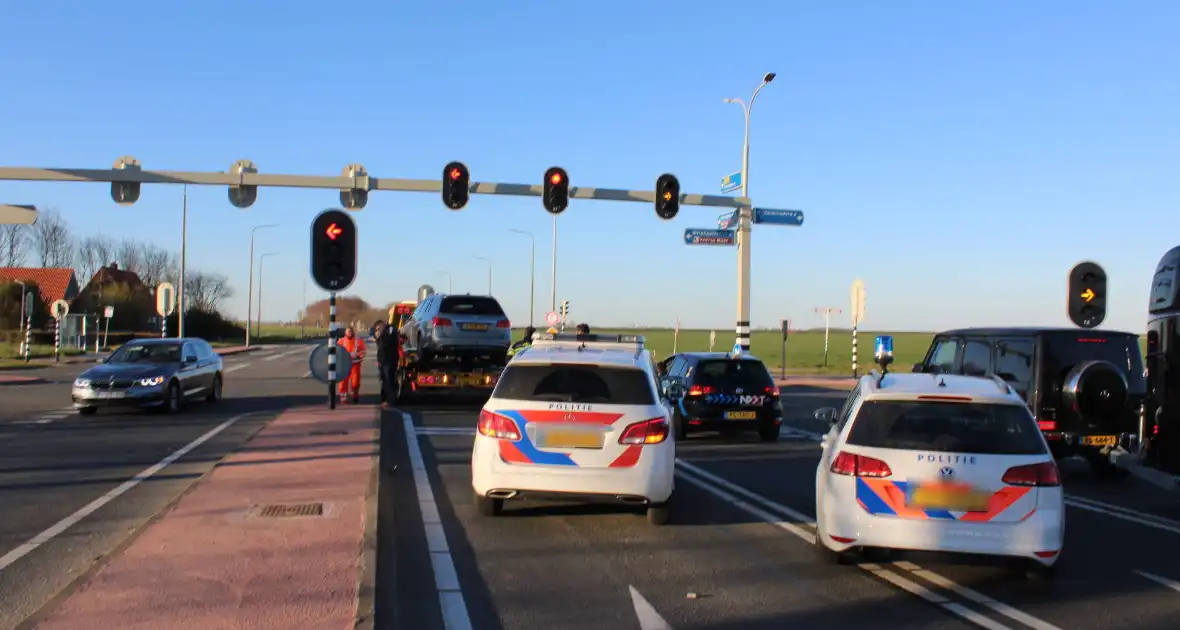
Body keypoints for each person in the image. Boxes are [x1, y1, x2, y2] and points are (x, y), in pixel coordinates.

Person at [337, 326, 367, 403]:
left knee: (355, 382)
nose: (350, 333)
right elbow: (337, 352)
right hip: (344, 365)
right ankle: (343, 397)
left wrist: (357, 355)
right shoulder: (341, 341)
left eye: (351, 331)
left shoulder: (359, 341)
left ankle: (355, 394)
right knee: (343, 382)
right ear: (345, 333)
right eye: (348, 331)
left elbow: (363, 351)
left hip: (355, 365)